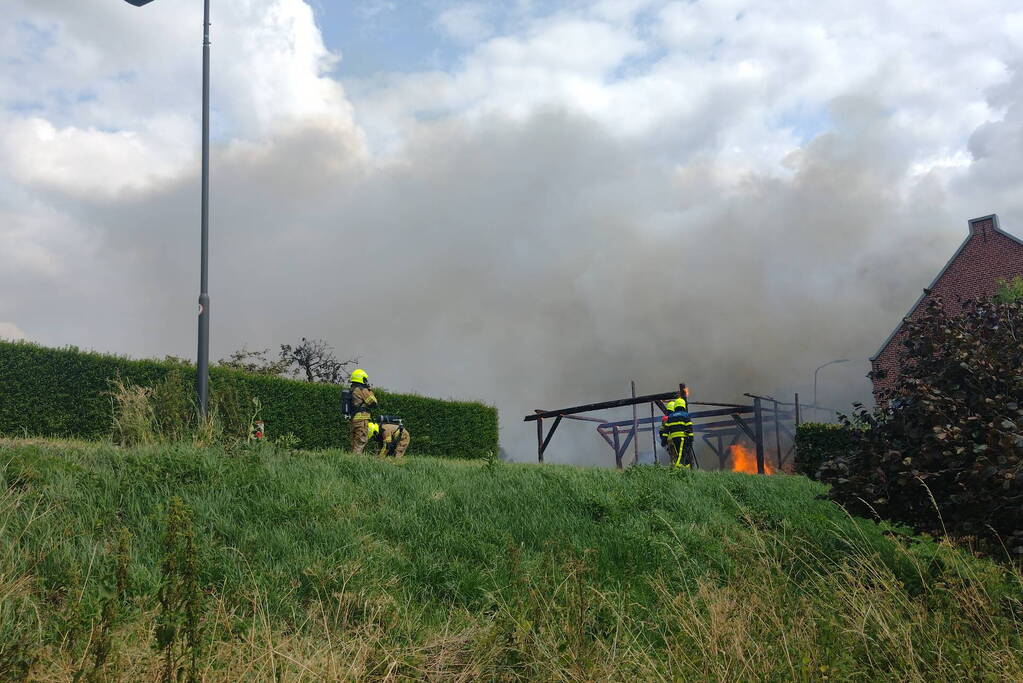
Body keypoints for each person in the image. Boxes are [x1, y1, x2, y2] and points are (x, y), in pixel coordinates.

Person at [660, 396, 696, 468]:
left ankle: (685, 467)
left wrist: (663, 440)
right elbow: (689, 427)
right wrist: (691, 438)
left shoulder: (670, 417)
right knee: (682, 455)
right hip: (683, 438)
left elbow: (665, 431)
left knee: (679, 455)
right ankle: (678, 469)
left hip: (673, 440)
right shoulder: (685, 415)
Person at [348, 368, 378, 454]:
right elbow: (374, 403)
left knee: (354, 441)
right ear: (361, 378)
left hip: (353, 419)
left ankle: (352, 459)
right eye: (365, 379)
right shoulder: (362, 390)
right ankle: (356, 461)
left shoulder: (352, 389)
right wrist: (369, 390)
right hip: (361, 420)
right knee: (360, 441)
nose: (366, 381)